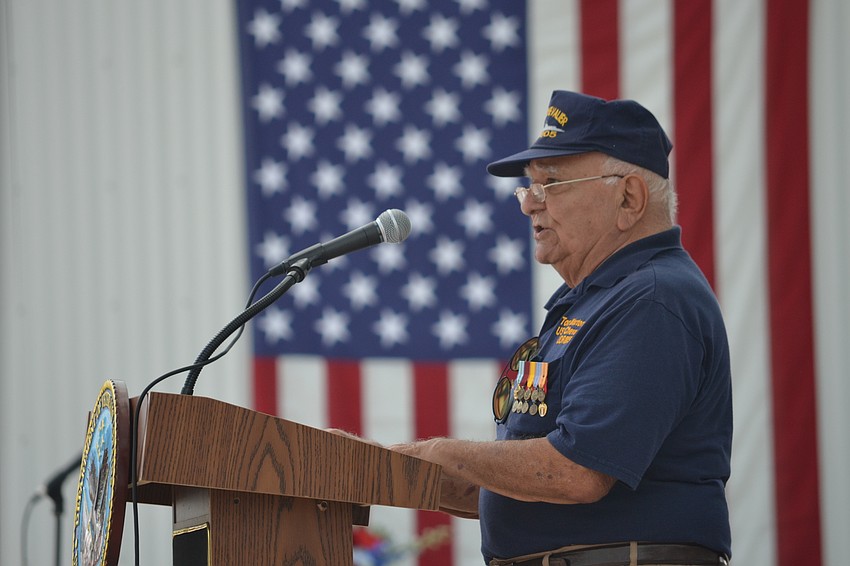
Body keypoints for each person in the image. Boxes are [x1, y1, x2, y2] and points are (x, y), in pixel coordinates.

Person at [374, 90, 732, 566]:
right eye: (529, 186)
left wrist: (442, 452)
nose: (529, 205)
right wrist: (375, 463)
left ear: (629, 197)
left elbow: (577, 471)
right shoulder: (594, 300)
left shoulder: (652, 298)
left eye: (552, 183)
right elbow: (516, 485)